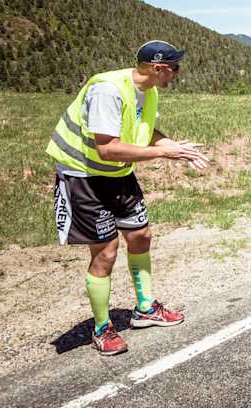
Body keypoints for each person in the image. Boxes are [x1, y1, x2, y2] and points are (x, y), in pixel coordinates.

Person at [45, 40, 209, 356]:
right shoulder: (108, 89)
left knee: (140, 235)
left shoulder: (148, 91)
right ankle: (102, 328)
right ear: (159, 68)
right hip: (85, 176)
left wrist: (173, 145)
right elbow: (107, 147)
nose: (177, 73)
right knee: (106, 252)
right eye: (175, 67)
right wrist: (163, 153)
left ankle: (145, 308)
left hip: (118, 174)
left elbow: (144, 130)